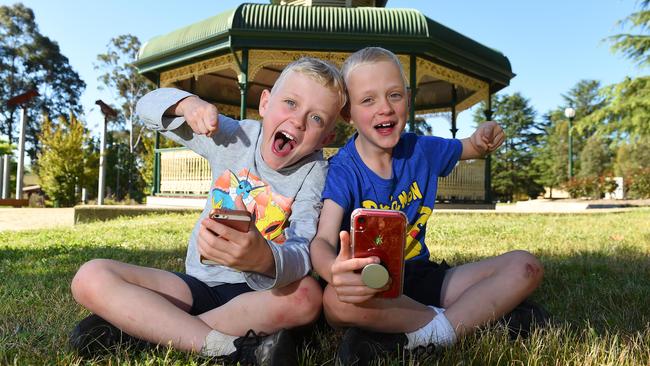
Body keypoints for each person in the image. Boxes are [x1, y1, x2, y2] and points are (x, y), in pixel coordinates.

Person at [69, 57, 347, 365]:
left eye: (317, 119)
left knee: (307, 297)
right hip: (199, 285)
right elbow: (145, 107)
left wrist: (264, 260)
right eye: (291, 103)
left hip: (261, 294)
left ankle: (147, 331)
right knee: (90, 276)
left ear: (327, 138)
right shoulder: (234, 137)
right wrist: (187, 104)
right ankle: (229, 346)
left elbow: (303, 249)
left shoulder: (315, 172)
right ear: (265, 103)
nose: (298, 121)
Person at [309, 47, 545, 365]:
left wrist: (484, 136)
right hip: (369, 282)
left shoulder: (422, 149)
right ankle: (460, 321)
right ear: (348, 114)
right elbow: (322, 240)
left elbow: (472, 146)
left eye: (394, 95)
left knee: (525, 266)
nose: (385, 109)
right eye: (368, 100)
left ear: (408, 98)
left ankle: (426, 330)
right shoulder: (343, 169)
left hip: (421, 276)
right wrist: (333, 272)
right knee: (336, 303)